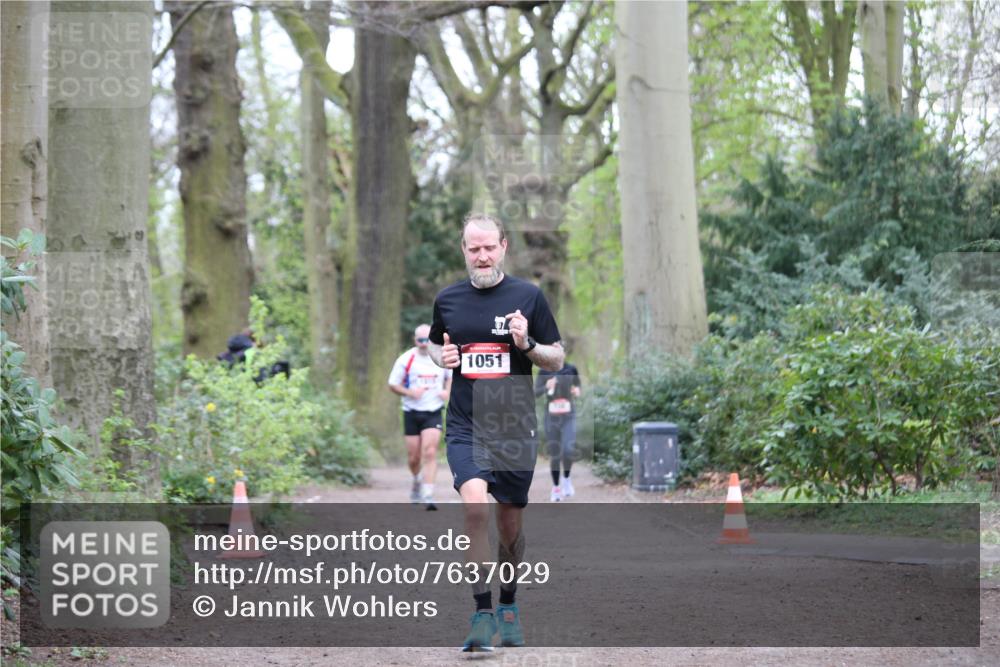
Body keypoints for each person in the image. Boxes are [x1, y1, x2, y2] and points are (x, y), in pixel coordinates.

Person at [427, 212, 564, 652]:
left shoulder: (528, 296)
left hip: (513, 427)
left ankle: (508, 604)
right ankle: (482, 613)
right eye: (474, 248)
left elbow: (557, 358)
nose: (482, 256)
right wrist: (442, 357)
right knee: (474, 510)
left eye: (489, 247)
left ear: (503, 247)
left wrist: (527, 344)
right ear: (464, 250)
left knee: (509, 526)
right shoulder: (448, 299)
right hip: (466, 425)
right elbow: (436, 345)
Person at [387, 324, 452, 510]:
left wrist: (446, 392)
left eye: (426, 340)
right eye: (420, 340)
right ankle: (416, 480)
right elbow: (392, 384)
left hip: (433, 410)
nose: (423, 343)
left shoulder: (440, 356)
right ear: (414, 340)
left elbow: (450, 376)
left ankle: (428, 493)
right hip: (411, 411)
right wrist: (410, 392)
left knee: (430, 452)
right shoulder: (406, 359)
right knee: (413, 457)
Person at [535, 360, 581, 501]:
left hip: (568, 416)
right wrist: (546, 386)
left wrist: (577, 390)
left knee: (568, 450)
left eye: (559, 348)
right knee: (555, 454)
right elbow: (536, 392)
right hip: (551, 418)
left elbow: (578, 385)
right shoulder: (544, 371)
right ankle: (556, 488)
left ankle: (566, 478)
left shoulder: (571, 368)